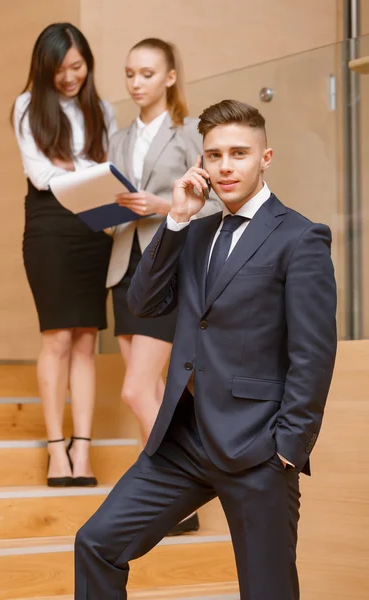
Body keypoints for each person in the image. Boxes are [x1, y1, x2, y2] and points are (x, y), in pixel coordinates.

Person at [74, 99, 337, 599]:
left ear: (266, 157)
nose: (225, 165)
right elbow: (144, 303)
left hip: (258, 447)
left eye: (239, 153)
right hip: (185, 441)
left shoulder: (301, 238)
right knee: (97, 543)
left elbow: (313, 353)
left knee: (268, 591)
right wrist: (174, 219)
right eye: (214, 155)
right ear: (202, 163)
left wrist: (287, 449)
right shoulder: (193, 233)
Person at [107, 38, 221, 534]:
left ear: (170, 77)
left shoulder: (190, 135)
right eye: (131, 73)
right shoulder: (117, 137)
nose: (136, 83)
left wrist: (160, 206)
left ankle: (181, 491)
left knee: (137, 390)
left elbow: (216, 206)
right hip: (122, 266)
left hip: (167, 267)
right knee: (149, 388)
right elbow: (114, 207)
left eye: (147, 74)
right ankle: (167, 503)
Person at [12, 23, 117, 487]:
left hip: (95, 224)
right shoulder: (27, 105)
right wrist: (86, 170)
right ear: (44, 69)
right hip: (51, 225)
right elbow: (39, 176)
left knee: (85, 342)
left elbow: (111, 170)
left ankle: (83, 448)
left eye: (78, 66)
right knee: (56, 337)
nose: (71, 76)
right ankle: (57, 450)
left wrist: (73, 169)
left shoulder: (103, 111)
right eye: (60, 69)